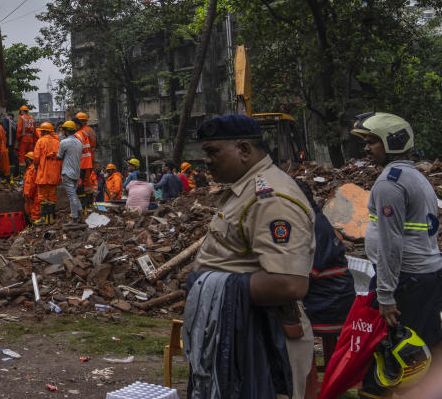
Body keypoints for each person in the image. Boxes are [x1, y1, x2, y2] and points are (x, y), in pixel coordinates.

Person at [189, 114, 316, 399]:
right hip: (240, 330)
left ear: (244, 150)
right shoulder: (244, 190)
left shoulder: (271, 199)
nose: (206, 161)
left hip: (265, 337)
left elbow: (289, 284)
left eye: (212, 152)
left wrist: (210, 287)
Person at [350, 113, 442, 360]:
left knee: (401, 355)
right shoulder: (416, 177)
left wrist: (386, 295)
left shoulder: (390, 183)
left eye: (373, 141)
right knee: (425, 347)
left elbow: (391, 243)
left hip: (406, 280)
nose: (367, 148)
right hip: (423, 277)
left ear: (392, 143)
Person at [294, 180, 355, 361]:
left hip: (329, 300)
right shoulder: (315, 219)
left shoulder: (315, 225)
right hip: (331, 294)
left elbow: (311, 270)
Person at [33, 122, 61, 224]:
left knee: (43, 196)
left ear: (44, 131)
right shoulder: (57, 142)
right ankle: (51, 219)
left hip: (43, 174)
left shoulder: (40, 141)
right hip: (54, 174)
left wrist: (36, 167)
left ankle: (44, 219)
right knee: (52, 196)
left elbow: (36, 157)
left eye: (41, 131)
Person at [57, 121, 84, 221]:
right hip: (76, 173)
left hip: (67, 173)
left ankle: (78, 216)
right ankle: (77, 217)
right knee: (73, 196)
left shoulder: (64, 142)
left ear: (66, 131)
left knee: (72, 196)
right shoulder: (79, 142)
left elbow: (59, 157)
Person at [74, 112, 97, 193]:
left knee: (82, 182)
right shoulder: (91, 130)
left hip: (83, 159)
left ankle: (83, 201)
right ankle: (88, 200)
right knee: (87, 181)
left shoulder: (81, 132)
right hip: (90, 157)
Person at [16, 105, 37, 176]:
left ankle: (23, 174)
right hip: (31, 140)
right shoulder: (32, 119)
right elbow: (35, 132)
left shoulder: (21, 118)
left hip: (23, 139)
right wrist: (34, 141)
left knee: (22, 156)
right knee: (30, 156)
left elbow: (19, 130)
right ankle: (31, 172)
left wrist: (17, 140)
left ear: (22, 111)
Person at [1, 111, 19, 188]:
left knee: (6, 162)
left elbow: (4, 131)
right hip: (12, 145)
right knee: (11, 161)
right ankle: (11, 177)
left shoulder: (6, 120)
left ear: (8, 115)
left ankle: (7, 178)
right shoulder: (14, 123)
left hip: (6, 144)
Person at [22, 151, 39, 224]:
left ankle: (33, 225)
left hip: (31, 193)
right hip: (35, 192)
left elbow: (29, 183)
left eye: (26, 159)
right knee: (34, 209)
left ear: (29, 160)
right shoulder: (35, 168)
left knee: (33, 211)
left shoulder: (31, 170)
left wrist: (28, 194)